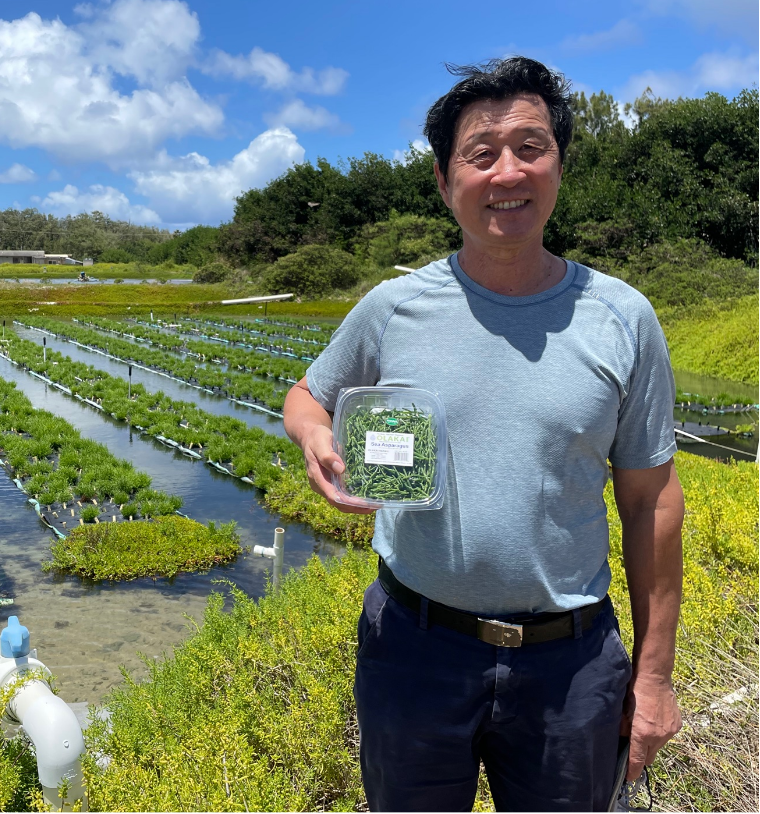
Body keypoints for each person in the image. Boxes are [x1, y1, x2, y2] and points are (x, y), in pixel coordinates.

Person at [283, 57, 684, 813]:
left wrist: (655, 677)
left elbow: (652, 501)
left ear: (560, 165)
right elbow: (308, 395)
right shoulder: (393, 307)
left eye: (531, 147)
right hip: (413, 646)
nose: (508, 171)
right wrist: (315, 437)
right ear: (444, 180)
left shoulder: (622, 317)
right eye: (481, 153)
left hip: (571, 664)